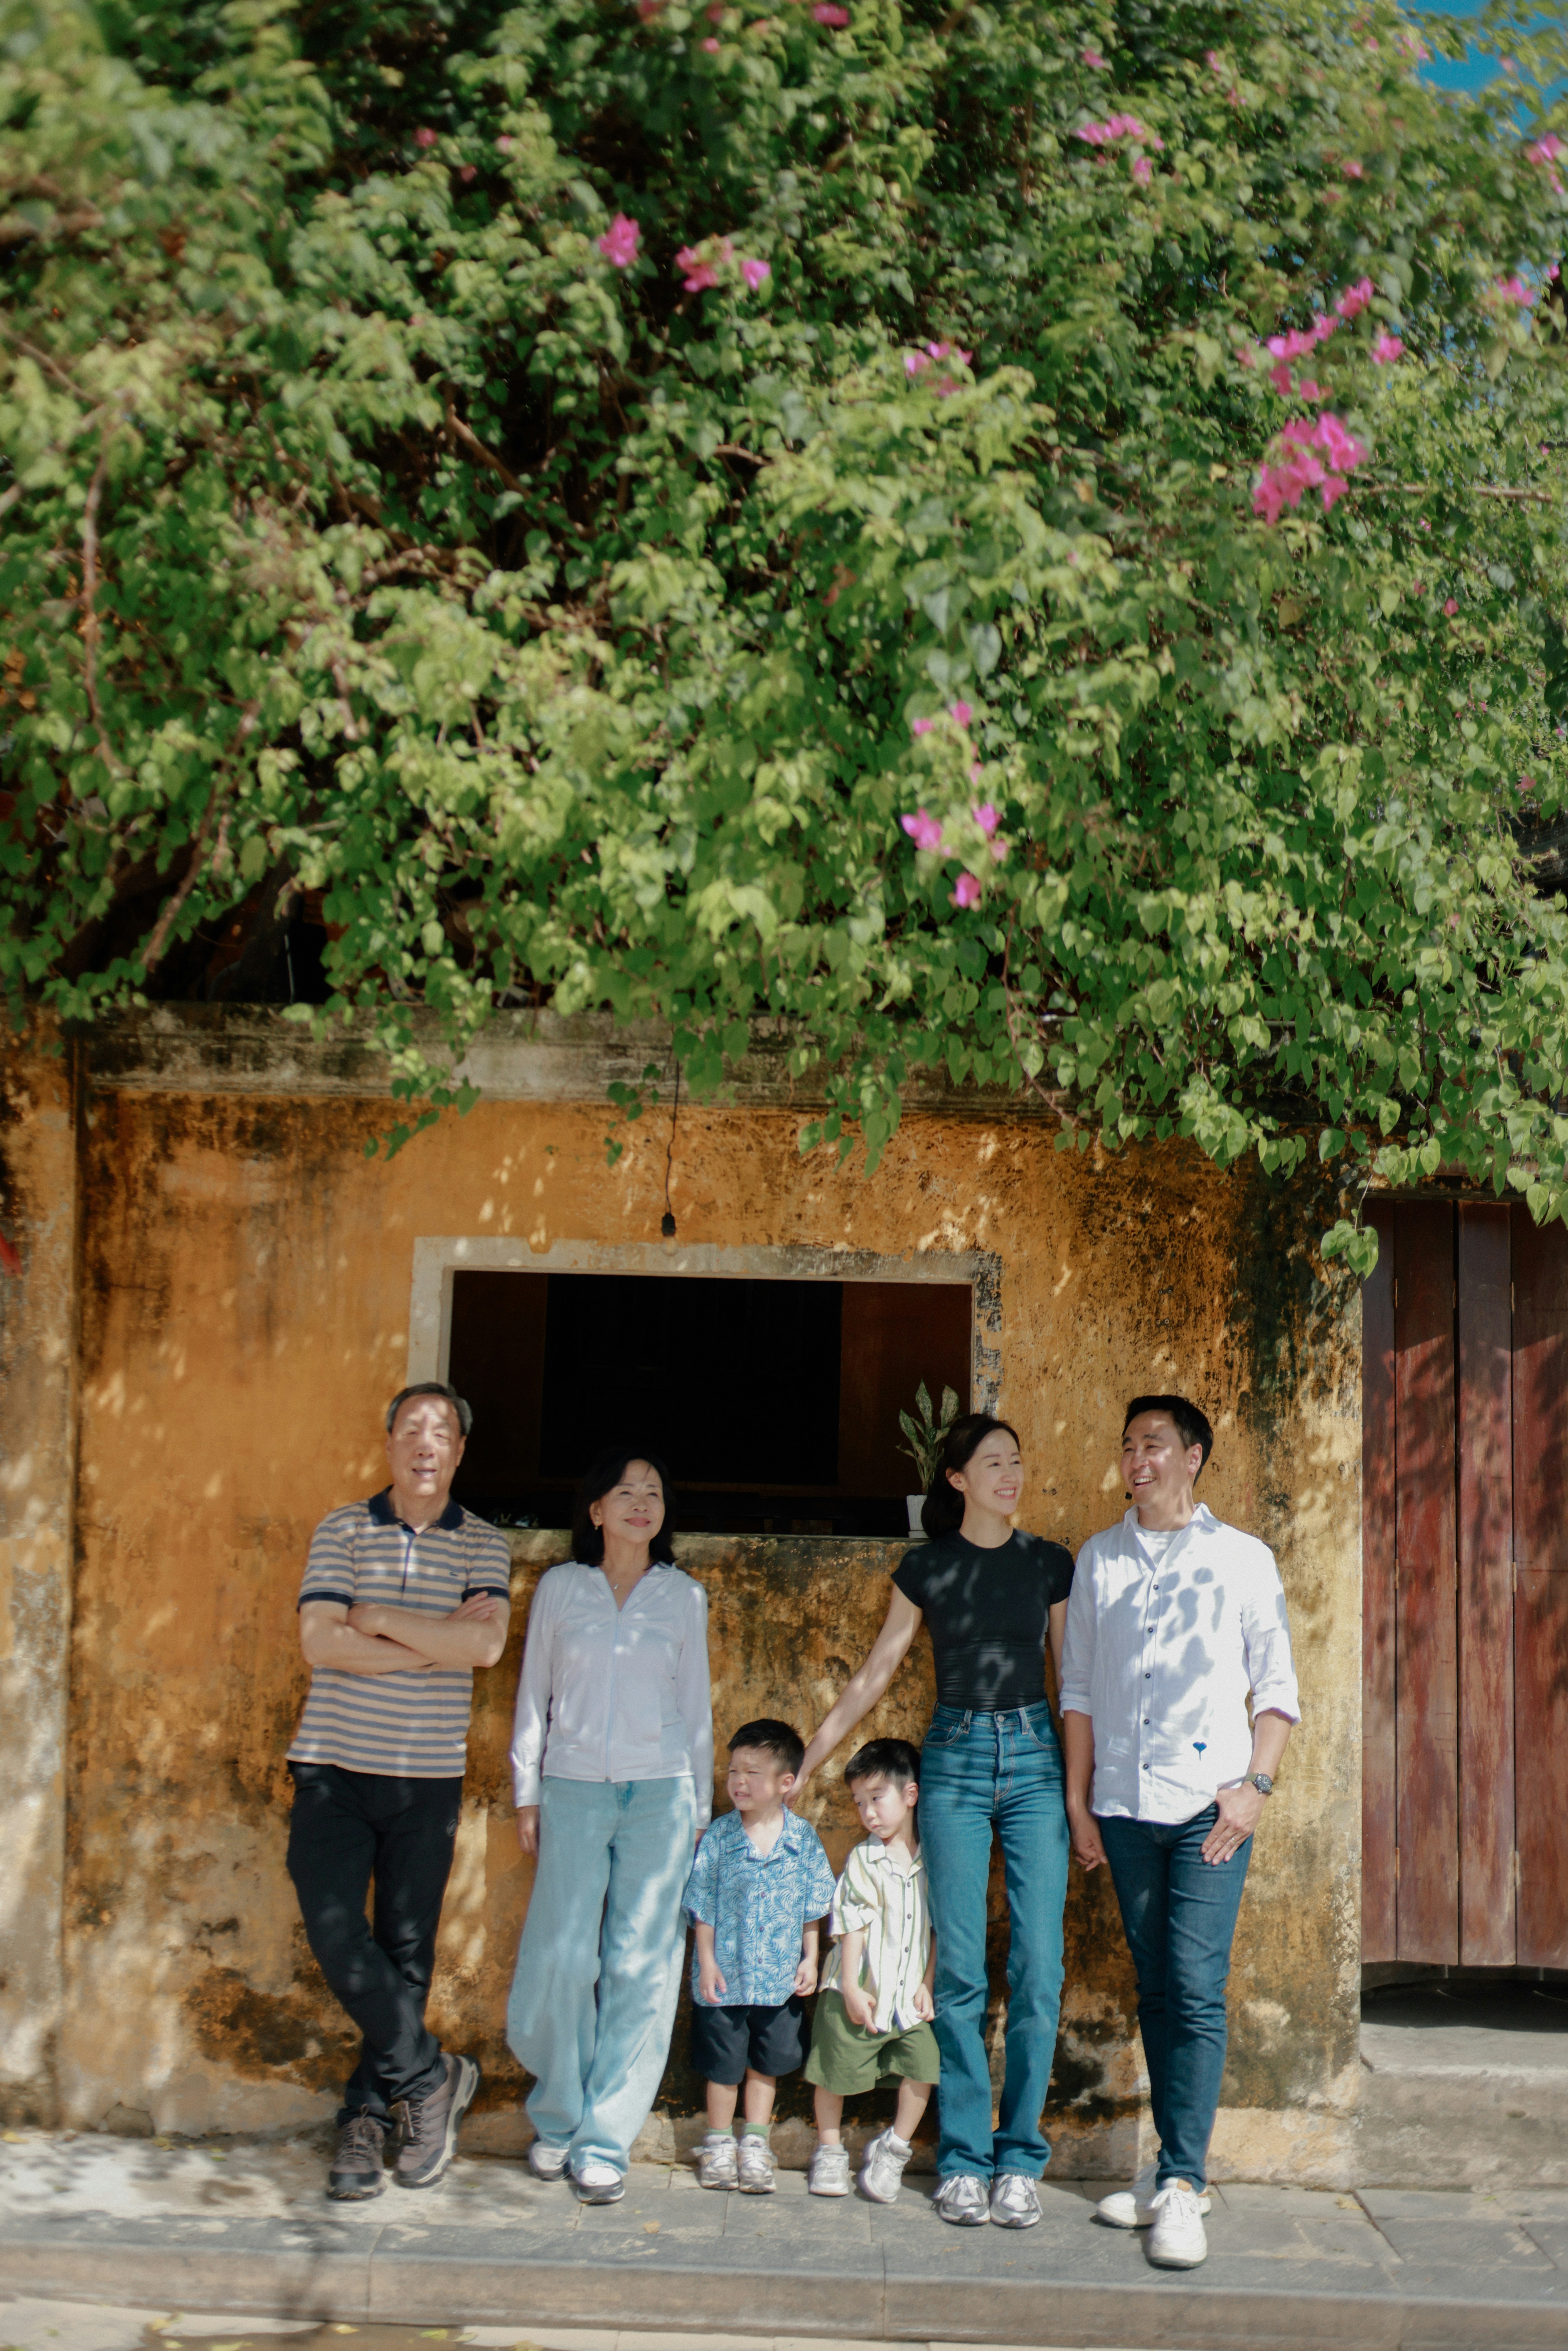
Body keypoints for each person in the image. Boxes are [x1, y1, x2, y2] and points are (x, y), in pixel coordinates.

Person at [795, 1414, 1074, 2229]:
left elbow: (1074, 1682)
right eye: (992, 1463)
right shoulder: (926, 1568)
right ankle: (961, 2157)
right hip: (950, 1760)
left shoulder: (1048, 1564)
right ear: (954, 1479)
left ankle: (1018, 2157)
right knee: (955, 1971)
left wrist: (1078, 1790)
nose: (1009, 1474)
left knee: (1038, 1966)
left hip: (1033, 1757)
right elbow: (878, 1670)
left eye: (1016, 1461)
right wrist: (811, 1756)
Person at [1060, 1394, 1300, 2273]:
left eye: (1153, 1445)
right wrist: (1079, 1803)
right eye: (1126, 1446)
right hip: (1123, 1810)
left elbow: (1276, 1686)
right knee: (1155, 1989)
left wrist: (1255, 1790)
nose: (1136, 1459)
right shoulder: (1099, 1559)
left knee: (1195, 1988)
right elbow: (1077, 1688)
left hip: (1208, 1810)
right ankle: (1172, 2171)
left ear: (1192, 1455)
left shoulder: (1239, 1559)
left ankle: (1185, 2183)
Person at [286, 1381, 512, 2201]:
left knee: (405, 1955)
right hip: (332, 1769)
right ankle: (429, 2077)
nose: (426, 1442)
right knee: (339, 1935)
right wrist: (434, 1644)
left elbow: (485, 1648)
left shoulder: (483, 1544)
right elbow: (319, 1642)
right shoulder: (342, 1528)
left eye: (442, 1431)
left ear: (458, 1452)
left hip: (426, 1776)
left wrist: (375, 1621)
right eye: (412, 1428)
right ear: (388, 1444)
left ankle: (366, 2117)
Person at [506, 1448, 713, 2205]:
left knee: (641, 1966)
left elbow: (696, 1707)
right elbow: (534, 1693)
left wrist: (699, 1805)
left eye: (653, 1492)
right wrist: (527, 1787)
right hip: (571, 1787)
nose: (639, 1502)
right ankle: (557, 2114)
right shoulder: (561, 1588)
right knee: (562, 1957)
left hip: (661, 1792)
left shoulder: (682, 1595)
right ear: (594, 1509)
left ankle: (604, 2138)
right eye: (624, 1491)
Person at [683, 1719, 837, 2194]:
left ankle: (754, 2144)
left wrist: (810, 1959)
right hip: (725, 1979)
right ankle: (717, 2143)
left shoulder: (802, 1840)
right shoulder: (719, 1838)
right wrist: (706, 1962)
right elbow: (703, 1906)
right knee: (723, 2069)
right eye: (733, 1771)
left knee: (764, 2067)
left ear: (785, 1783)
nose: (739, 1782)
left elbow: (814, 1908)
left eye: (752, 1773)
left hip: (778, 1982)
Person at [804, 1736, 939, 2204]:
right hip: (856, 1989)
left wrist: (927, 1985)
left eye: (876, 1799)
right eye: (859, 1803)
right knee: (833, 2070)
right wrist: (849, 1986)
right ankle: (829, 2149)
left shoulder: (934, 1862)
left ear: (910, 1795)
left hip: (907, 1997)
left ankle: (894, 2149)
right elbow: (852, 1926)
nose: (868, 1814)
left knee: (924, 2068)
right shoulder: (865, 1859)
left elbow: (938, 1931)